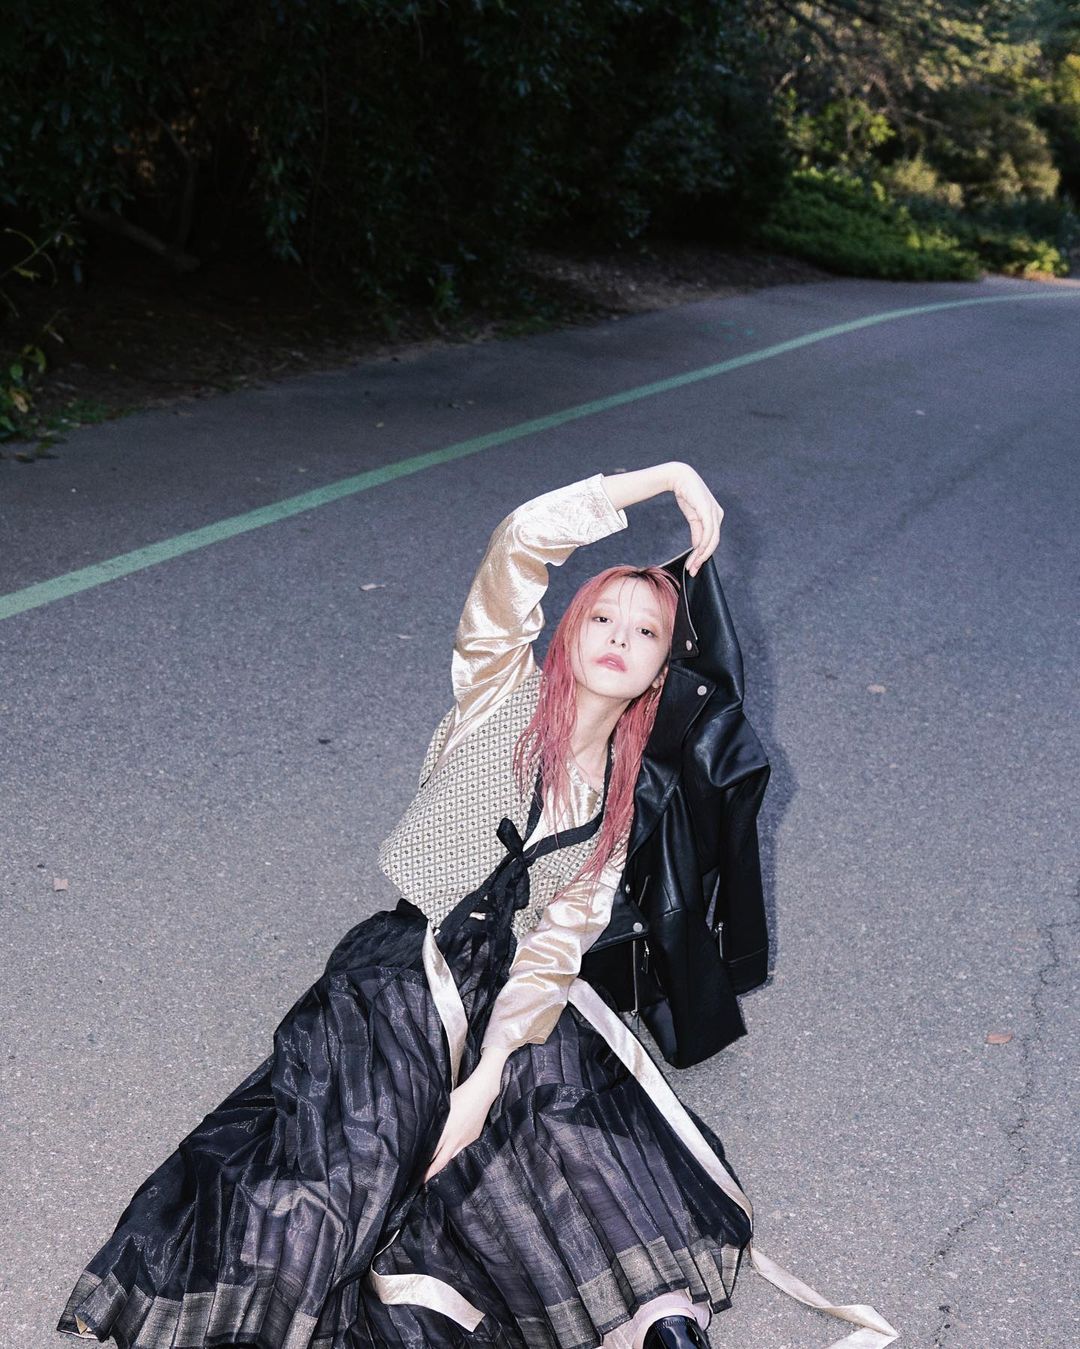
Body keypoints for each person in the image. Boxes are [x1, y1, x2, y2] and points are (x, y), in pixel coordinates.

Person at [58, 463, 895, 1349]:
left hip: (508, 999)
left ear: (660, 672)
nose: (620, 636)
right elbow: (521, 544)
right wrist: (663, 480)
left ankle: (660, 1325)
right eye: (602, 618)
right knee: (356, 1165)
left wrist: (490, 1070)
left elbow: (556, 945)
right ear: (570, 630)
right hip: (399, 975)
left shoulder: (620, 794)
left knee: (562, 1123)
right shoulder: (499, 689)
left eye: (646, 630)